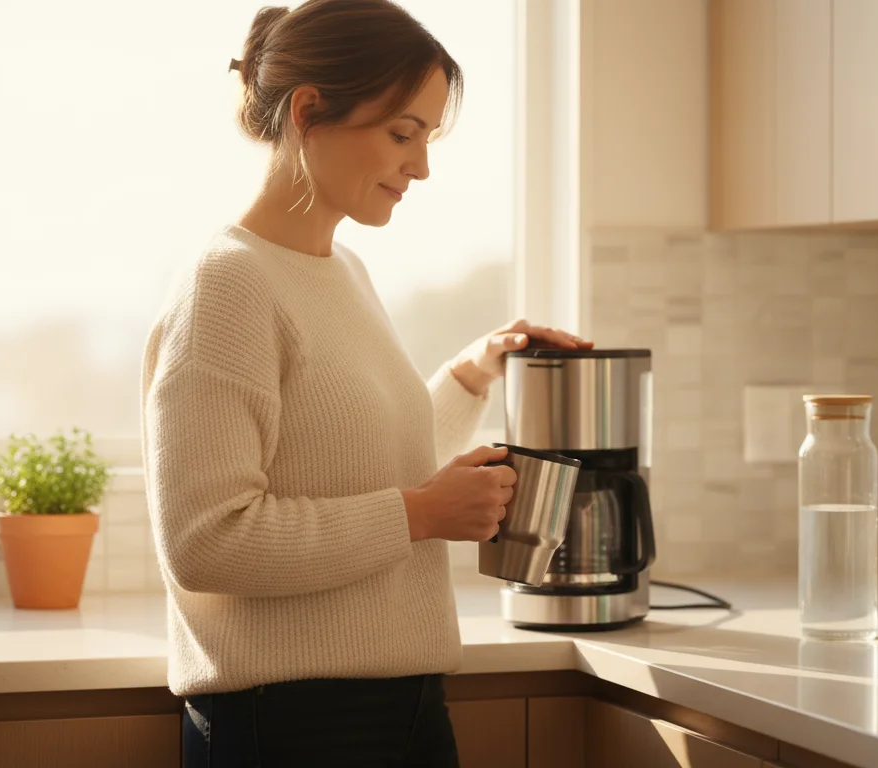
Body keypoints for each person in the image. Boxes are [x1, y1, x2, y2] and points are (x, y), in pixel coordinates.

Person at [140, 1, 593, 765]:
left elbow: (366, 459)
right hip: (288, 727)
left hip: (404, 707)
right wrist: (418, 515)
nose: (420, 166)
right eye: (402, 134)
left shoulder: (342, 270)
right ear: (309, 111)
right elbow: (206, 541)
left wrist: (472, 371)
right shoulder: (228, 284)